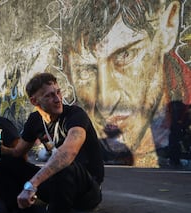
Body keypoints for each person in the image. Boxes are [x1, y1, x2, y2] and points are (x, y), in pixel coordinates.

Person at [60, 0, 191, 167]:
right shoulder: (69, 122)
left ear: (169, 25)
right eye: (86, 71)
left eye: (126, 55)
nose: (106, 99)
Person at [0, 72, 104, 213]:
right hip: (58, 185)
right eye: (49, 95)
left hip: (86, 190)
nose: (58, 99)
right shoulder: (35, 120)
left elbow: (68, 152)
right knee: (1, 163)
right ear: (35, 101)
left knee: (62, 163)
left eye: (58, 92)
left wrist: (32, 184)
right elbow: (18, 152)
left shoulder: (75, 115)